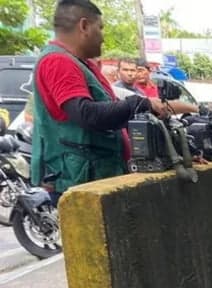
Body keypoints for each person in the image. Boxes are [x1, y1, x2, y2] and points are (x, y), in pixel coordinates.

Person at [31, 0, 174, 200]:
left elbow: (108, 111)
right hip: (81, 183)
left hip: (97, 179)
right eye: (100, 28)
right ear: (84, 26)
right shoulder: (58, 62)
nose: (103, 38)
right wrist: (141, 104)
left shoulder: (79, 63)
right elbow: (87, 114)